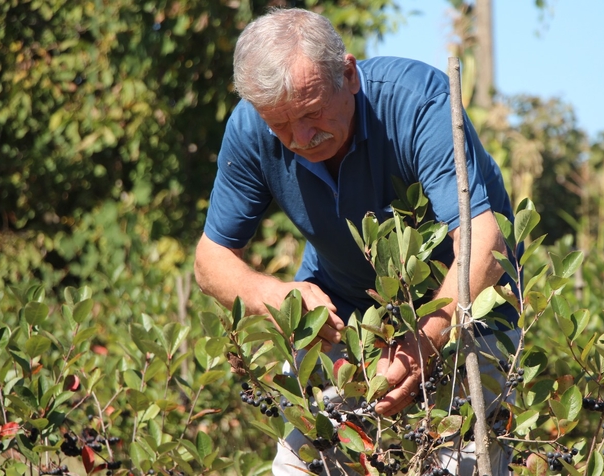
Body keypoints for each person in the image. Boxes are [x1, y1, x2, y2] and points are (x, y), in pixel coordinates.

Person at [194, 7, 518, 474]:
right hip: (345, 320)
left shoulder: (417, 102)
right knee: (303, 465)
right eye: (280, 126)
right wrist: (273, 296)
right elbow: (210, 261)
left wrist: (423, 343)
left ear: (347, 74)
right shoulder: (250, 128)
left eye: (311, 114)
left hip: (470, 312)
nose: (300, 139)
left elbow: (486, 242)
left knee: (460, 465)